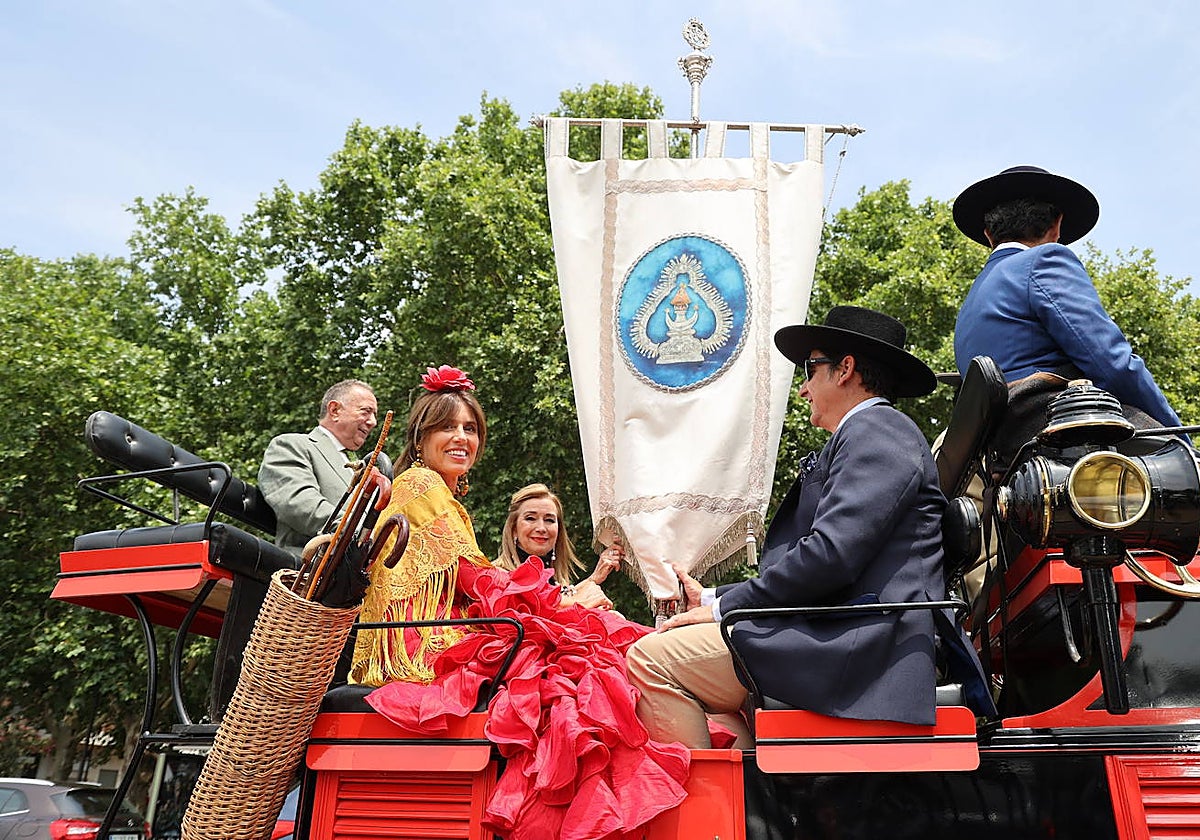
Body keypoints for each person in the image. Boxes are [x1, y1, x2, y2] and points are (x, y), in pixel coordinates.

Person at [626, 306, 996, 750]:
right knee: (714, 694)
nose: (803, 388)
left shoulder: (878, 429)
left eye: (811, 368)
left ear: (845, 370)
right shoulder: (871, 434)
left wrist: (723, 608)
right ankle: (748, 808)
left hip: (866, 641)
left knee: (649, 660)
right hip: (847, 629)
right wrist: (710, 598)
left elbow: (830, 555)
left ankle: (697, 817)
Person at [349, 365, 690, 840]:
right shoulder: (420, 485)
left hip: (442, 628)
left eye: (470, 428)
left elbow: (472, 576)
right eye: (447, 426)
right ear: (421, 436)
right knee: (568, 665)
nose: (461, 438)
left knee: (573, 650)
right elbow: (477, 577)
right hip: (422, 642)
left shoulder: (435, 491)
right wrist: (556, 610)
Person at [952, 165, 1184, 466]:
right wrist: (1177, 436)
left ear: (988, 234)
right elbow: (1112, 363)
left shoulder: (973, 298)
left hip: (1007, 453)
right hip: (1063, 433)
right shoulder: (1045, 259)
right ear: (1057, 227)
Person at [258, 379, 380, 557]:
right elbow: (300, 503)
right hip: (310, 571)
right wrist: (362, 534)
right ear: (335, 410)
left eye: (374, 415)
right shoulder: (291, 445)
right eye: (366, 412)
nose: (373, 422)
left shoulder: (361, 466)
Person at [494, 482, 622, 594]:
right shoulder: (497, 578)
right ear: (514, 529)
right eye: (530, 518)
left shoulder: (557, 583)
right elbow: (545, 610)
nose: (541, 528)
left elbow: (561, 606)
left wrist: (596, 576)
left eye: (549, 520)